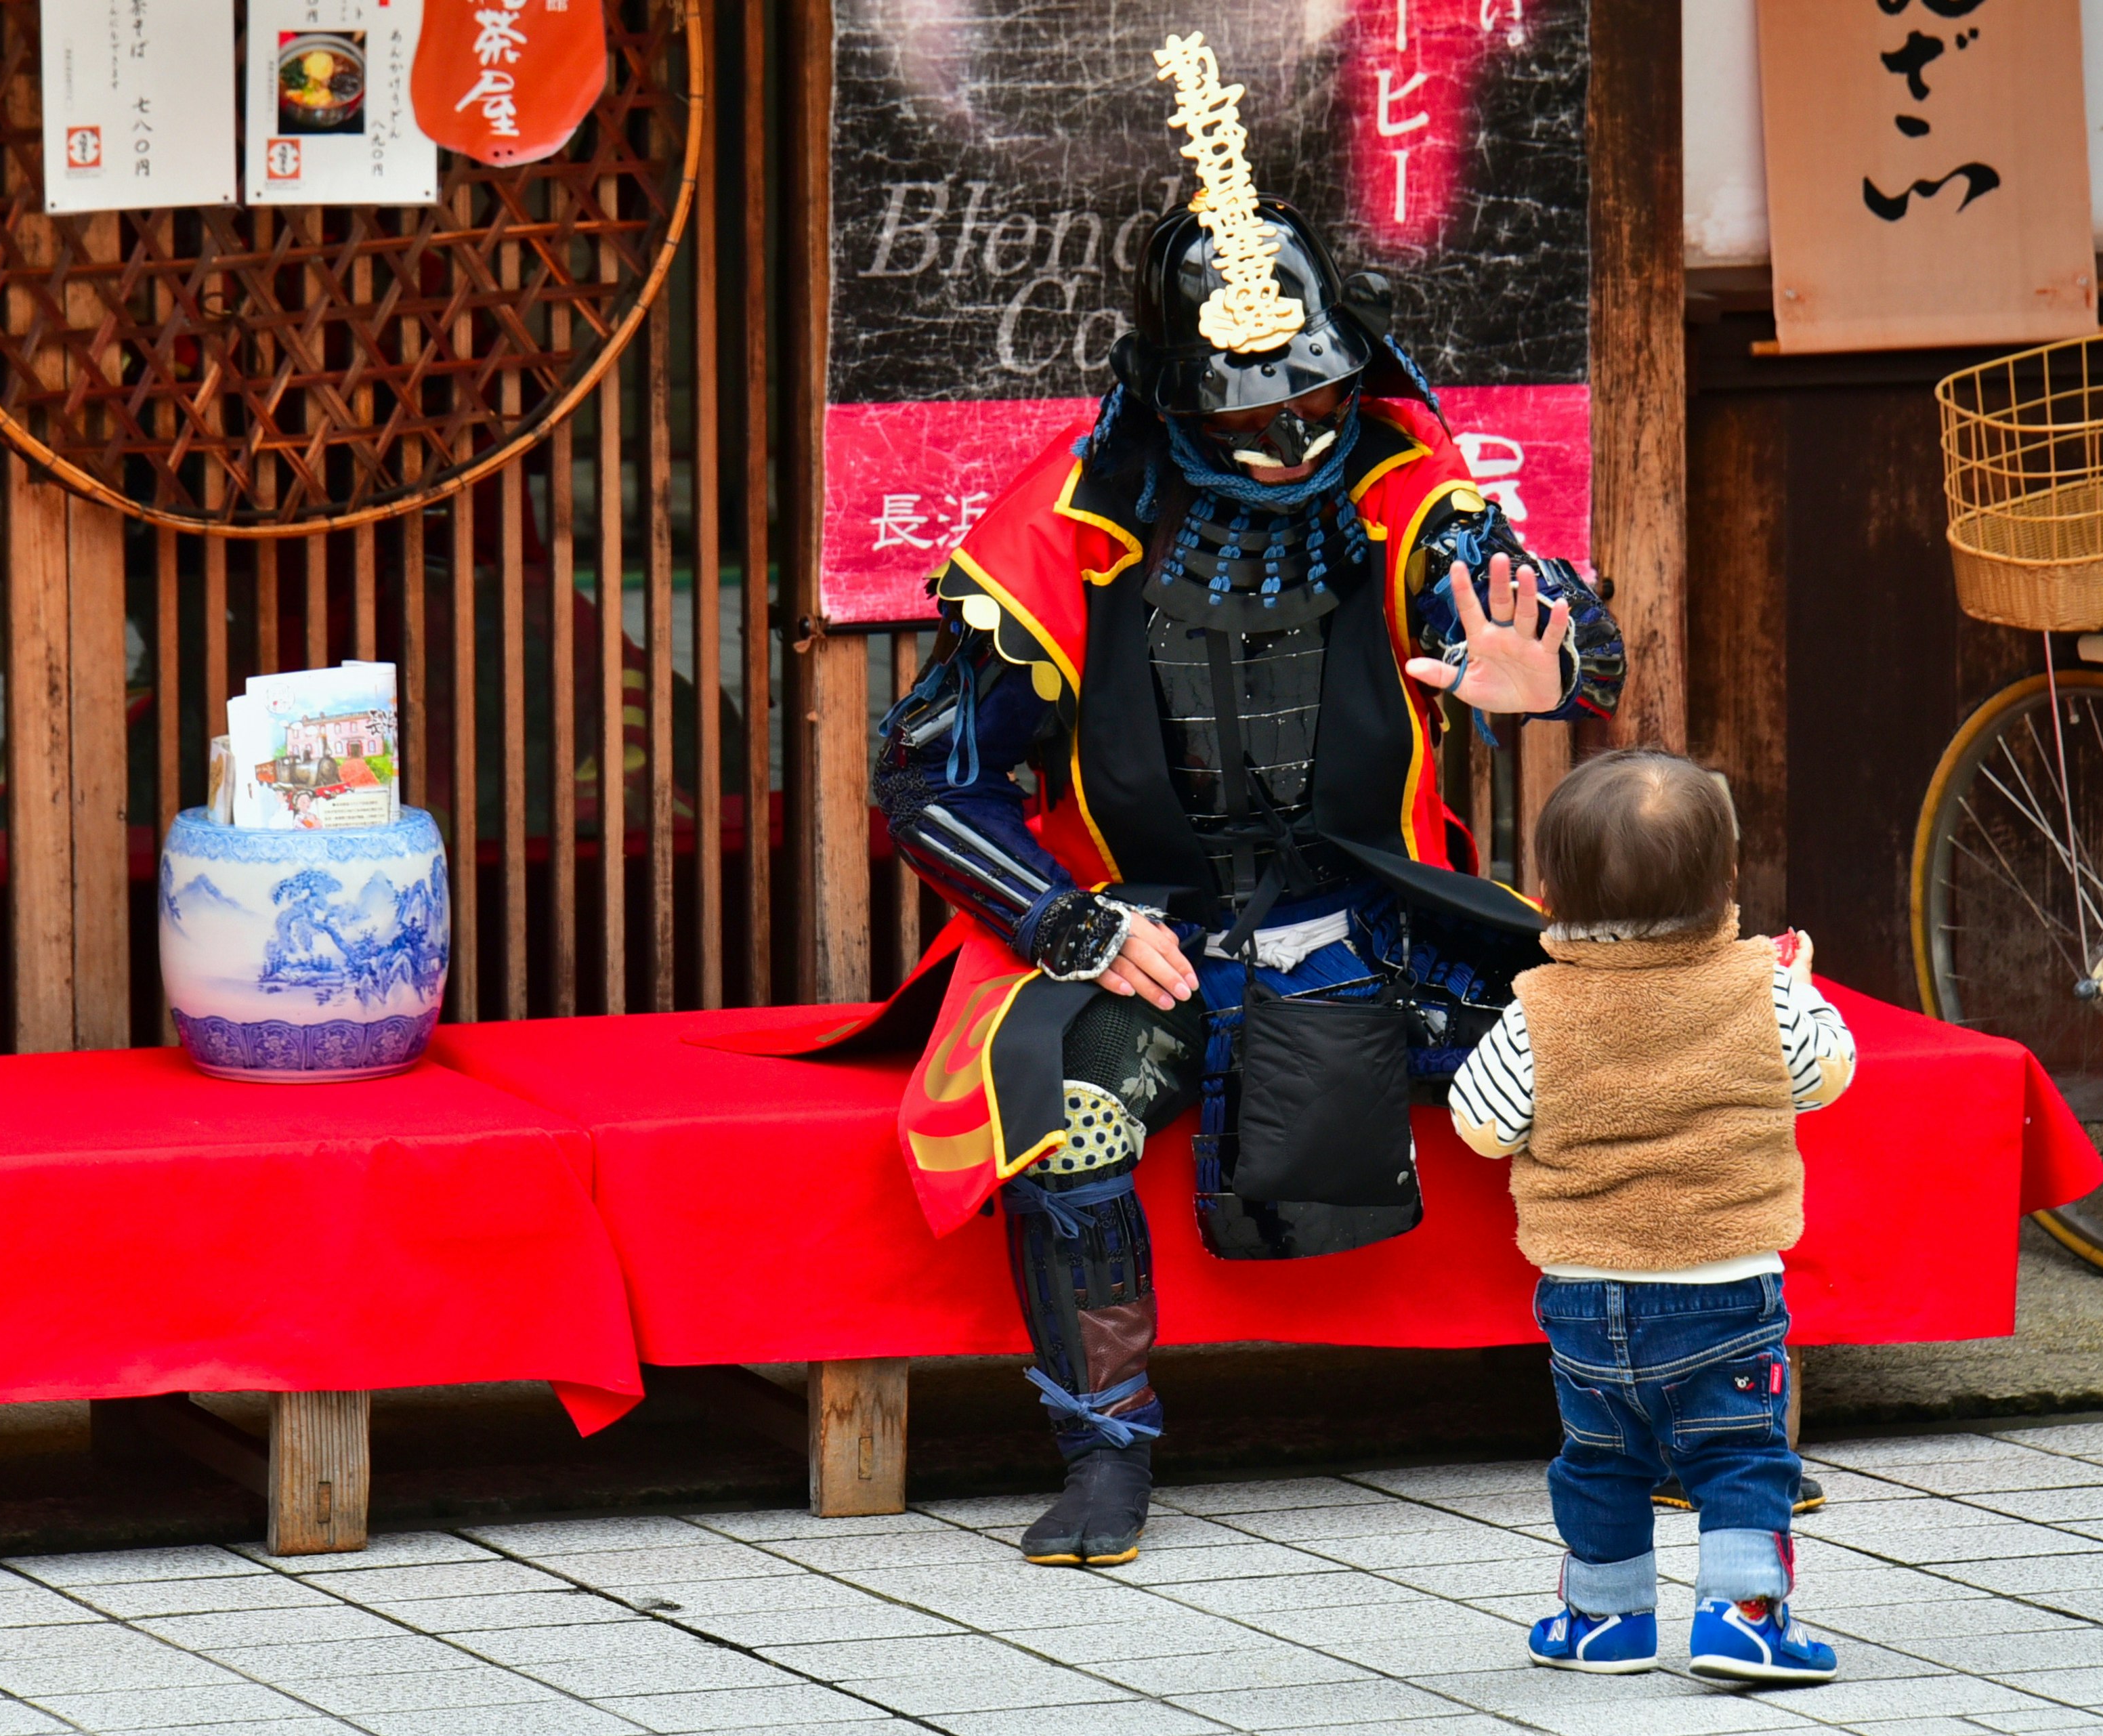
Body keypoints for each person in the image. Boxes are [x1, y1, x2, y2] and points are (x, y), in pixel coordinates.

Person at [776, 92, 1627, 1568]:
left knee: (1621, 1053)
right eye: (1250, 409)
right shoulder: (1066, 523)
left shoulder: (1411, 488)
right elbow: (924, 781)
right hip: (1153, 931)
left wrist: (1561, 671)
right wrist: (1071, 923)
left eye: (1314, 398)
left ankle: (1669, 1415)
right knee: (1073, 1124)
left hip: (1384, 915)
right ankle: (1105, 1450)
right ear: (1170, 392)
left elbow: (1574, 636)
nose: (1293, 435)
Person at [1447, 750, 1855, 1684]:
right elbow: (1829, 1075)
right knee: (1742, 1457)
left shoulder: (1537, 1013)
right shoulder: (1765, 990)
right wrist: (1804, 986)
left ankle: (1604, 1621)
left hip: (1586, 1299)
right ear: (1728, 883)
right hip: (1727, 1291)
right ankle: (1746, 1618)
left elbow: (1479, 1123)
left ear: (1549, 893)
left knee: (1598, 1460)